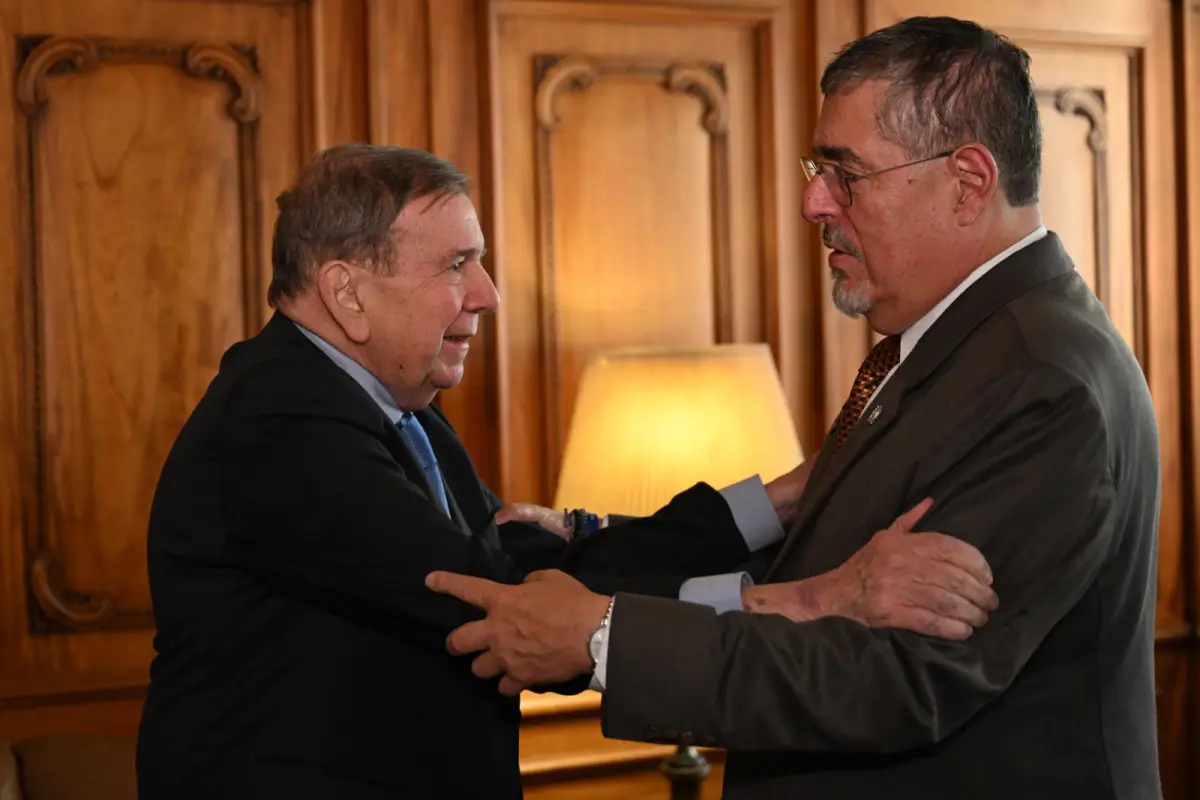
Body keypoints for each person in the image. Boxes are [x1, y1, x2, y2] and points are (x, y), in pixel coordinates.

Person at [426, 16, 1163, 800]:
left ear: (968, 183)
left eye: (846, 173)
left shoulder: (1039, 381)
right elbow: (815, 569)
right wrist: (589, 550)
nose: (814, 202)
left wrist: (603, 639)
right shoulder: (962, 345)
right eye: (819, 167)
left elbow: (895, 678)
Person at [135, 143, 997, 799]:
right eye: (455, 265)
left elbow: (528, 564)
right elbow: (499, 603)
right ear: (347, 294)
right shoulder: (281, 423)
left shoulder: (393, 412)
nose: (488, 295)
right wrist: (812, 601)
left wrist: (786, 496)